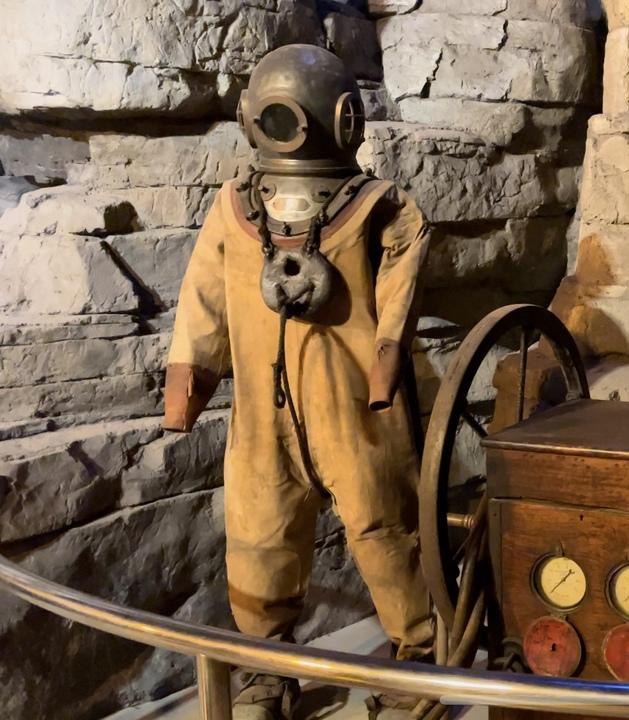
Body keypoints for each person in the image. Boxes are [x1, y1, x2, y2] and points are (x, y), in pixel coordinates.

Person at [163, 44, 433, 720]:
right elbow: (202, 302)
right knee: (259, 536)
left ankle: (415, 665)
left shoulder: (379, 209)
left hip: (358, 414)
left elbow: (397, 301)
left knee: (384, 530)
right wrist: (187, 386)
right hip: (263, 414)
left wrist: (385, 367)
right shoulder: (234, 208)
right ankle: (266, 672)